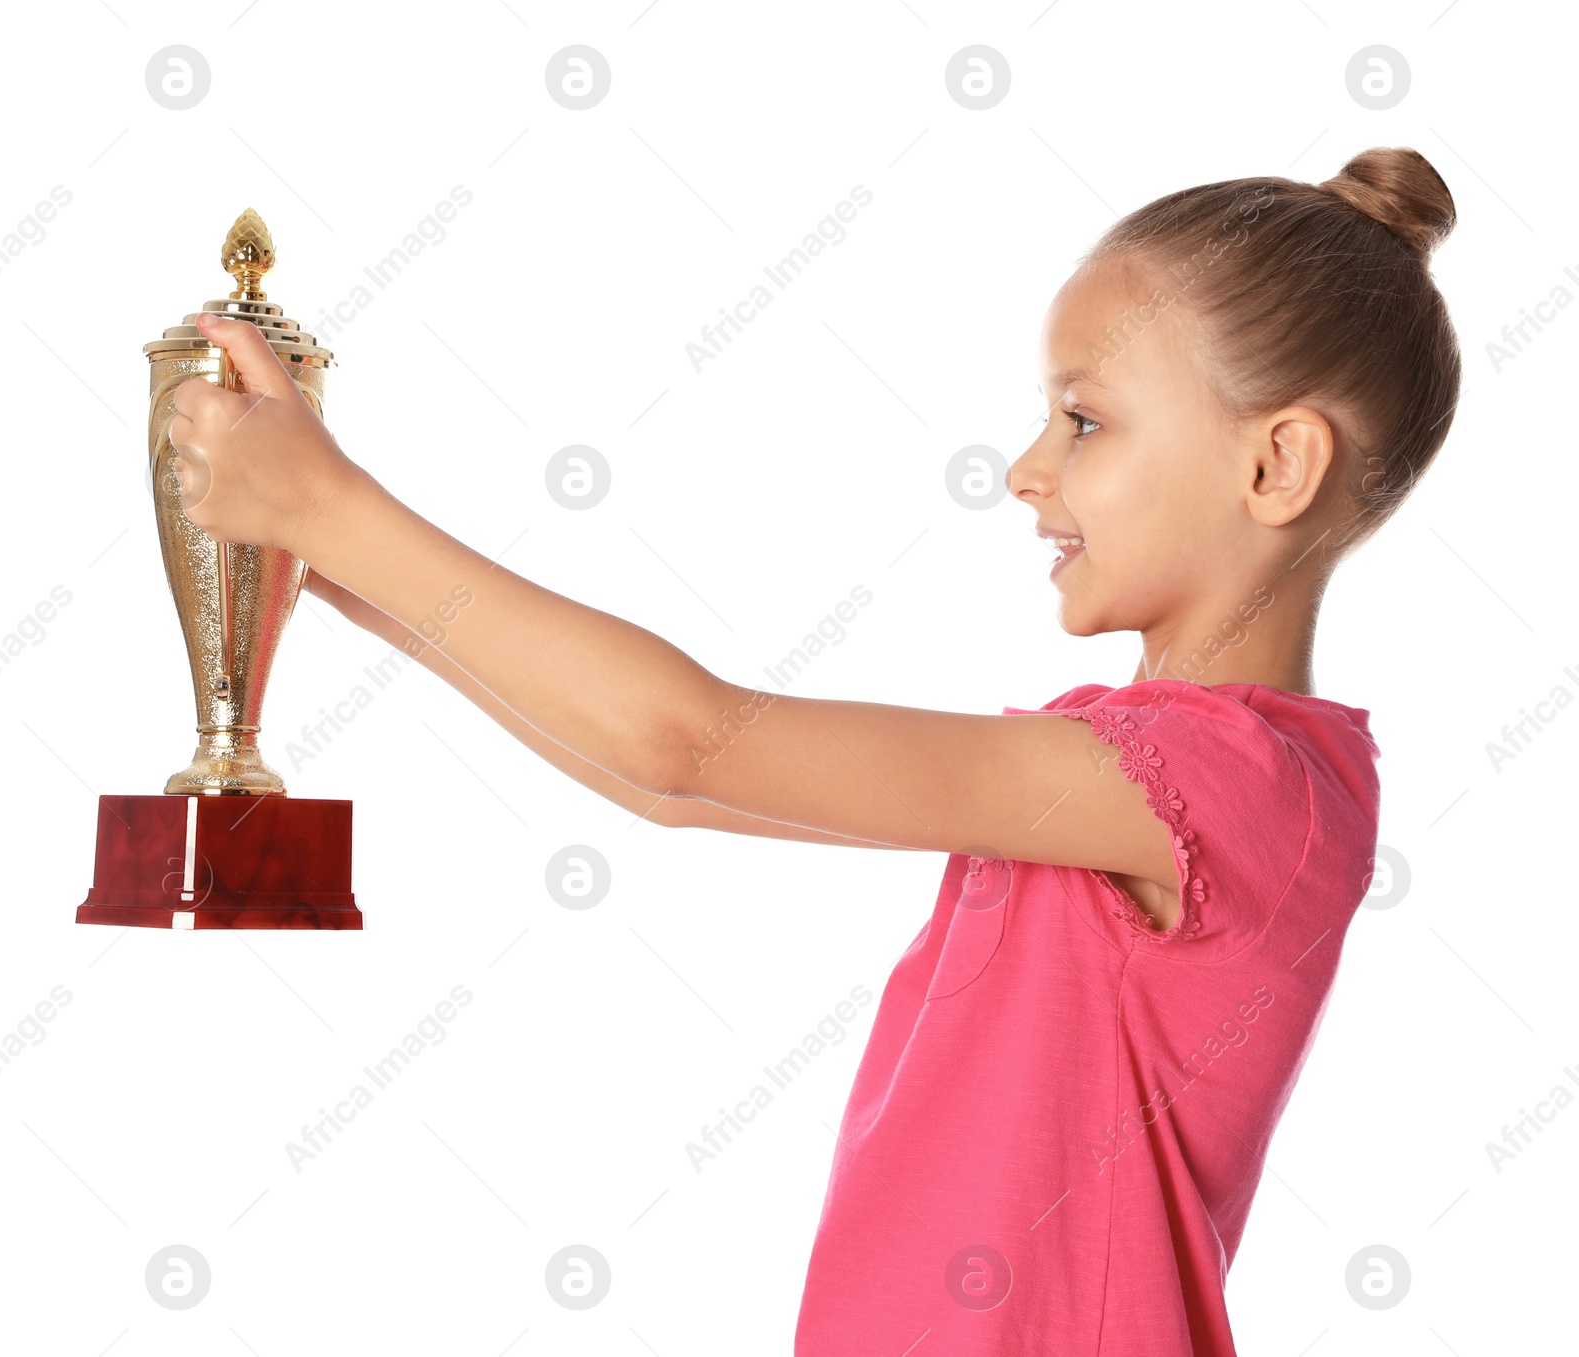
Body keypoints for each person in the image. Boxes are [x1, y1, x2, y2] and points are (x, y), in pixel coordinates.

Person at [164, 143, 1461, 1355]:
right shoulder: (1128, 767)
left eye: (1085, 419)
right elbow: (665, 789)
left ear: (1277, 461)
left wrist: (337, 505)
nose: (1026, 467)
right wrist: (350, 577)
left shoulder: (1235, 788)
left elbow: (691, 742)